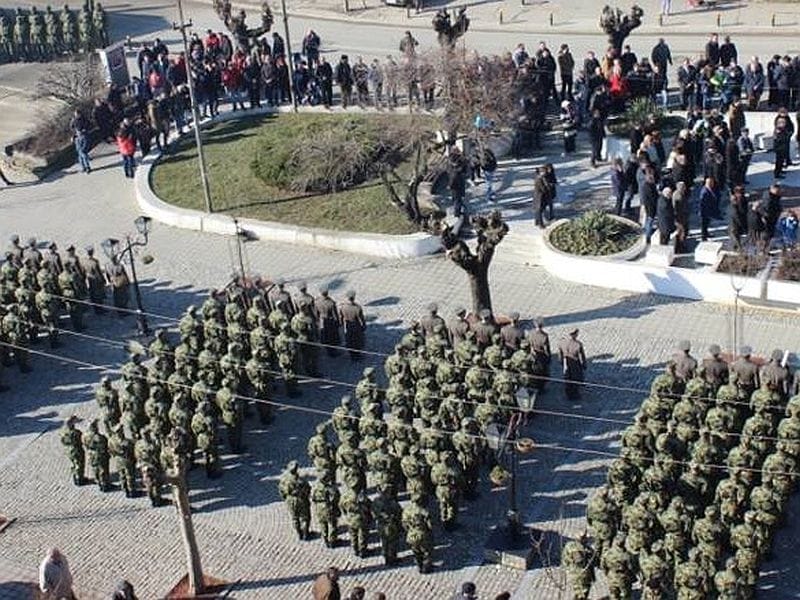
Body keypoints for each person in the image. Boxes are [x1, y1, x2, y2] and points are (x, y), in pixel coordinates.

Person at [558, 328, 586, 401]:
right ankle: (575, 394)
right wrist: (584, 365)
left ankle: (568, 393)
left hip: (565, 362)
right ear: (575, 334)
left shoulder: (562, 342)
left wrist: (561, 361)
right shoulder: (578, 344)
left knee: (567, 377)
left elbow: (560, 353)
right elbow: (581, 356)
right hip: (575, 364)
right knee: (575, 378)